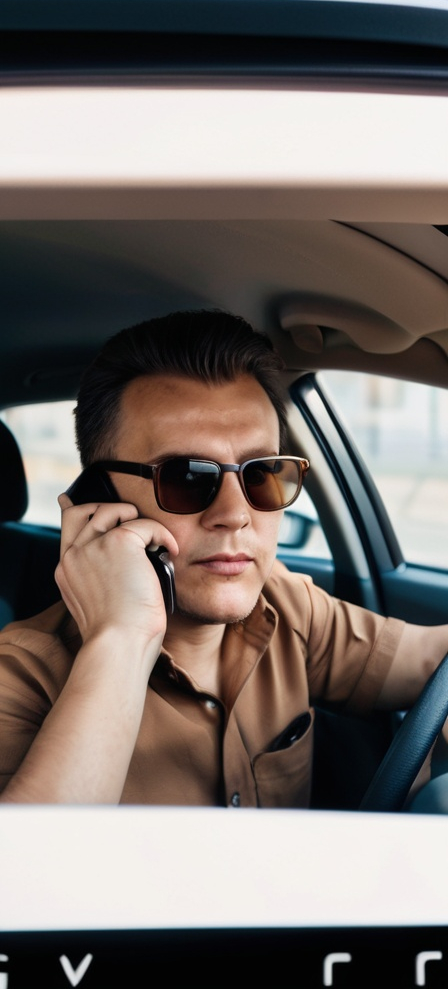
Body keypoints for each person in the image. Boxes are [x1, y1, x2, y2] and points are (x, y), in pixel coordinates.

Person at [0, 309, 446, 807]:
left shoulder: (285, 605)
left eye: (261, 474)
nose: (236, 514)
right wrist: (122, 639)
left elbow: (433, 662)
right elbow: (31, 874)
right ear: (96, 501)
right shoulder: (18, 678)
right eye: (188, 477)